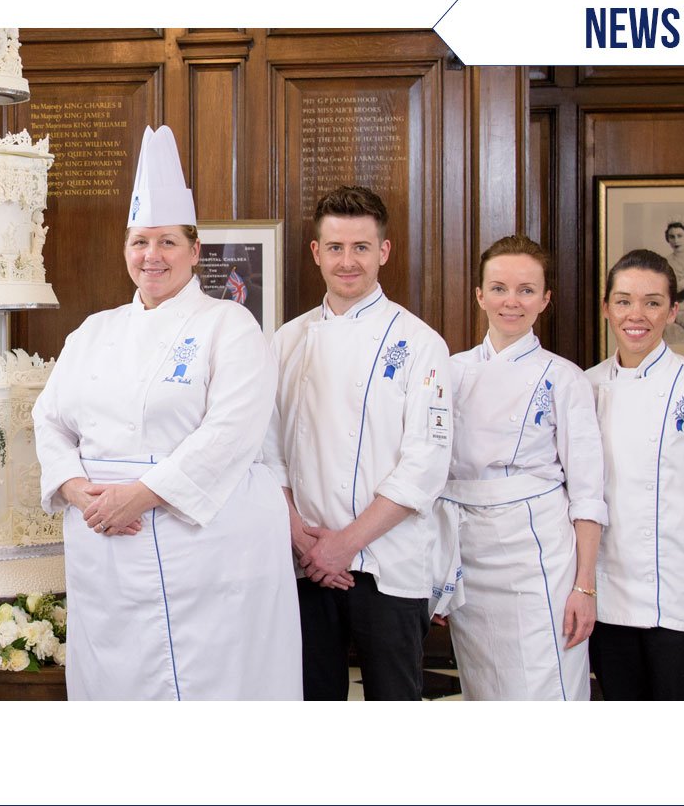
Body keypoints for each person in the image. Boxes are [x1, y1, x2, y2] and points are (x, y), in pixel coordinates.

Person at [32, 126, 300, 700]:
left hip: (208, 547)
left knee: (213, 686)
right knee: (116, 682)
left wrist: (143, 494)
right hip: (106, 540)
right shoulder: (93, 330)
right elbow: (49, 419)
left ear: (195, 250)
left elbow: (232, 432)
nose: (151, 256)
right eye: (139, 242)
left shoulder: (230, 325)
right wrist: (81, 493)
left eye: (167, 242)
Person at [274, 185, 453, 701]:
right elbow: (267, 453)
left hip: (388, 563)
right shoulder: (286, 341)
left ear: (384, 251)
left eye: (360, 248)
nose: (347, 261)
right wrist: (305, 541)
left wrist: (343, 544)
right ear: (316, 253)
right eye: (335, 248)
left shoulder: (420, 344)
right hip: (304, 562)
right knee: (311, 700)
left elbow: (425, 463)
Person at [437, 235, 605, 700]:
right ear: (480, 295)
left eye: (527, 290)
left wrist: (584, 587)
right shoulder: (449, 371)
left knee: (545, 684)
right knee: (483, 685)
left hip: (538, 556)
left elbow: (589, 492)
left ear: (546, 300)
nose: (512, 301)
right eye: (499, 288)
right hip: (467, 547)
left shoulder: (563, 378)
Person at [586, 249, 684, 700]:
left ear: (672, 311)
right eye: (623, 301)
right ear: (606, 308)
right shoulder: (586, 386)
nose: (636, 315)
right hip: (609, 595)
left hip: (679, 596)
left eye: (652, 302)